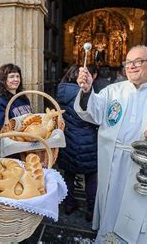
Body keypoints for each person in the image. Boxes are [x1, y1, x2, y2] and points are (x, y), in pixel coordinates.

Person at [75, 45, 147, 243]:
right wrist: (87, 91)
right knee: (111, 204)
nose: (131, 66)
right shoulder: (112, 91)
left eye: (137, 61)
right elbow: (93, 112)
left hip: (144, 164)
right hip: (113, 160)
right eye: (128, 62)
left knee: (138, 211)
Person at [56, 64, 98, 222]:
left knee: (69, 174)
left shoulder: (61, 90)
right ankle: (91, 210)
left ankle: (68, 204)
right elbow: (94, 116)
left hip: (69, 140)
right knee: (91, 177)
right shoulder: (85, 93)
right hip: (88, 141)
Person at [0, 63, 32, 132]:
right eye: (11, 77)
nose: (16, 79)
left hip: (28, 136)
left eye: (17, 76)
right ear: (3, 80)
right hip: (12, 140)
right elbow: (3, 128)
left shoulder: (23, 98)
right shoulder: (0, 101)